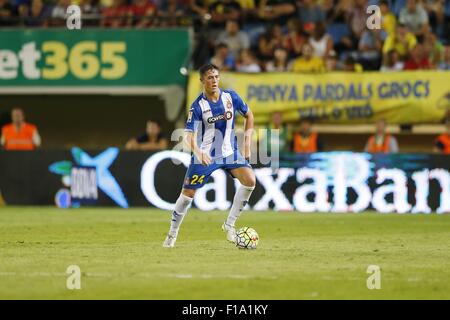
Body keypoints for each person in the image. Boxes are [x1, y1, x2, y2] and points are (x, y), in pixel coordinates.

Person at [163, 64, 256, 248]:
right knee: (187, 195)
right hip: (206, 155)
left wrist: (246, 144)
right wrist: (198, 152)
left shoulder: (231, 97)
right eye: (210, 78)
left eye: (216, 77)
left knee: (250, 180)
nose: (214, 81)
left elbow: (249, 115)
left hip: (230, 152)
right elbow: (188, 135)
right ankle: (172, 234)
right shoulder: (197, 106)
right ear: (202, 81)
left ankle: (229, 225)